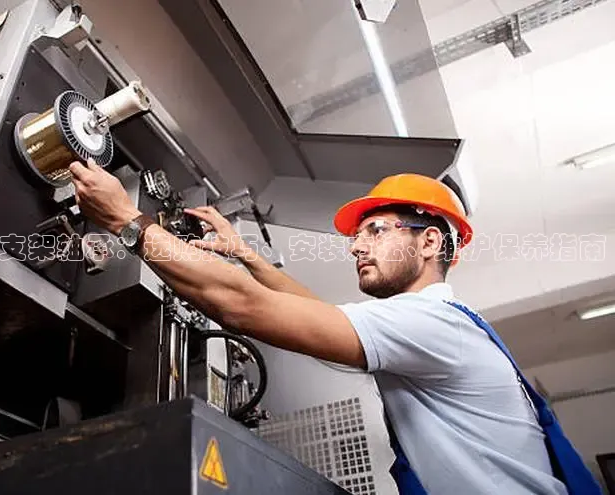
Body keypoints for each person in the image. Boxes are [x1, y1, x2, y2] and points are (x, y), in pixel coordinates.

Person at [68, 159, 599, 495]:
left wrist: (126, 220)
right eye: (357, 235)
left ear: (430, 242)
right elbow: (320, 316)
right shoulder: (436, 324)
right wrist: (247, 256)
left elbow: (239, 306)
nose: (356, 246)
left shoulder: (430, 324)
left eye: (376, 230)